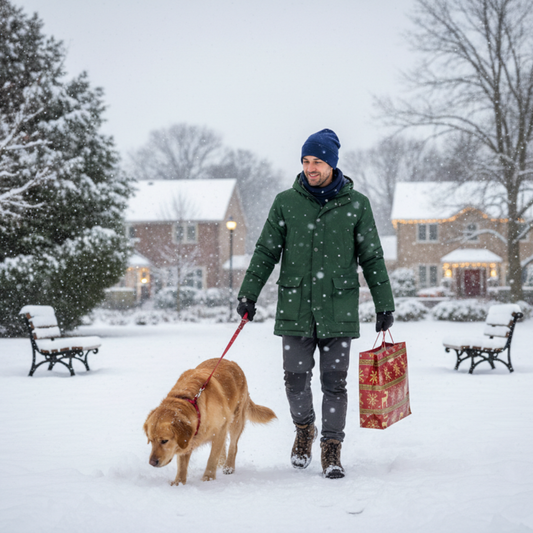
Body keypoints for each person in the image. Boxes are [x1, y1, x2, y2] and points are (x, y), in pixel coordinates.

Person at [236, 129, 395, 479]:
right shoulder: (286, 202)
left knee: (334, 383)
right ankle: (304, 429)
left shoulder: (357, 205)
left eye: (317, 161)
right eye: (306, 161)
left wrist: (384, 304)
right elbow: (265, 252)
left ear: (332, 164)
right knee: (295, 380)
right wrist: (249, 294)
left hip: (338, 308)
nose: (310, 168)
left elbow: (372, 257)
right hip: (295, 307)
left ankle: (332, 446)